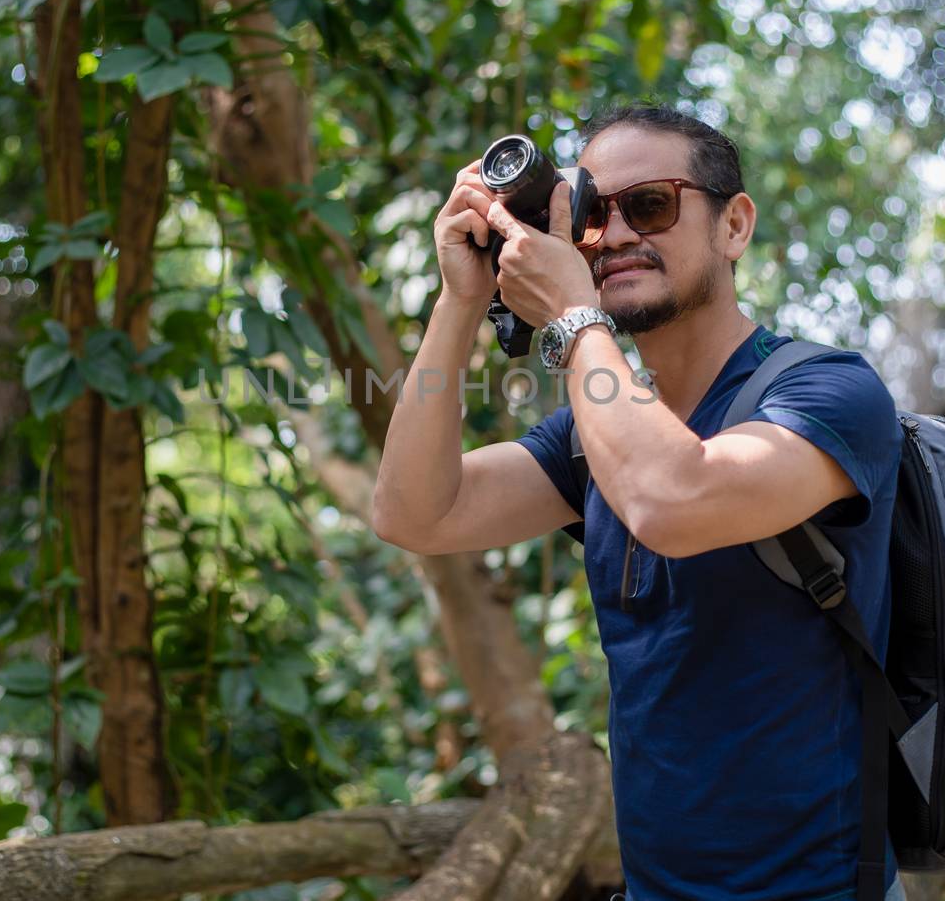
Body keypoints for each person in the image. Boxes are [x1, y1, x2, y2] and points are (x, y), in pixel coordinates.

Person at [370, 103, 907, 901]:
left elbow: (673, 500)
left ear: (734, 226)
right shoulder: (598, 433)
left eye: (651, 204)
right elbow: (415, 512)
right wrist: (460, 300)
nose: (615, 235)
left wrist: (573, 317)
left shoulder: (830, 391)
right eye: (593, 212)